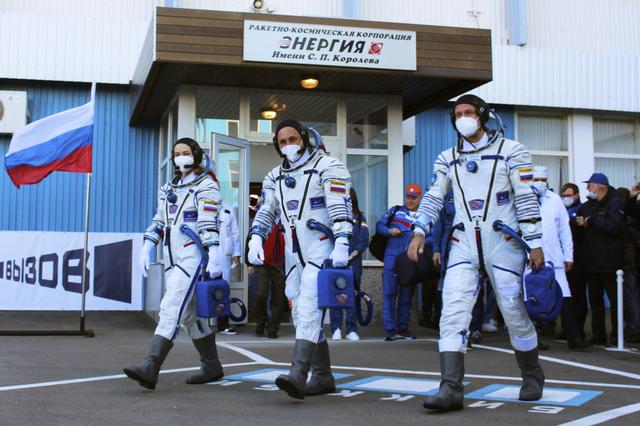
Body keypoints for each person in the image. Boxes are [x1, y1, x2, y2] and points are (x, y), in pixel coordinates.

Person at [408, 94, 546, 411]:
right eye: (457, 114)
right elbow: (433, 197)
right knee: (452, 312)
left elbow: (526, 198)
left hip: (503, 242)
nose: (463, 118)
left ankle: (532, 375)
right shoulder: (447, 158)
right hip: (463, 243)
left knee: (513, 312)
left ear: (482, 116)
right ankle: (451, 388)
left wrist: (535, 242)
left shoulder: (512, 152)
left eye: (469, 112)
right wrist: (419, 231)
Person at [247, 119, 352, 399]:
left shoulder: (328, 167)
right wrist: (255, 236)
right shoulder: (274, 177)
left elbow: (340, 205)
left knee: (308, 308)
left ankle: (298, 372)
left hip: (322, 249)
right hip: (293, 254)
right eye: (282, 142)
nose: (288, 145)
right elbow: (267, 210)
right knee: (299, 312)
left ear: (304, 138)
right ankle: (323, 376)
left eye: (292, 138)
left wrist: (342, 241)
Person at [124, 137, 224, 390]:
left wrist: (213, 253)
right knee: (190, 315)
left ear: (196, 155)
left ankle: (151, 365)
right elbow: (160, 220)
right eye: (176, 153)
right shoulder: (168, 189)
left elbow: (208, 222)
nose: (181, 157)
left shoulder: (207, 187)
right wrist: (147, 245)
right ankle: (212, 366)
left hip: (193, 257)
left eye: (185, 152)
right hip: (172, 258)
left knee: (170, 307)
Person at [530, 167, 590, 350]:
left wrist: (568, 256)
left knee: (565, 298)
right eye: (536, 179)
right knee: (531, 298)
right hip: (530, 258)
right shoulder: (522, 199)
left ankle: (574, 339)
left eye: (542, 179)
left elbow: (564, 230)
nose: (539, 182)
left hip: (554, 258)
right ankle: (532, 339)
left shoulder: (555, 200)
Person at [576, 172, 625, 346]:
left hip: (611, 262)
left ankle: (617, 335)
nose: (588, 188)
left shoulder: (615, 203)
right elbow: (579, 225)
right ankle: (598, 335)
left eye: (590, 185)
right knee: (595, 300)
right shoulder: (587, 205)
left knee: (615, 301)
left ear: (599, 186)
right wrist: (578, 224)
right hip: (592, 261)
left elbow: (615, 227)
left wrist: (592, 221)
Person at [377, 183, 423, 341]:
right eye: (408, 197)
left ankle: (403, 328)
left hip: (410, 260)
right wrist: (389, 231)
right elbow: (379, 226)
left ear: (420, 198)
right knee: (389, 293)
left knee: (407, 295)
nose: (410, 201)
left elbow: (430, 234)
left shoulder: (425, 215)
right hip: (392, 257)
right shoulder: (395, 210)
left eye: (414, 198)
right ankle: (390, 329)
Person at [330, 188, 368, 341]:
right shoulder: (333, 217)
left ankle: (352, 328)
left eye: (348, 198)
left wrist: (351, 255)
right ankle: (336, 328)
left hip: (354, 262)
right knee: (336, 294)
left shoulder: (359, 218)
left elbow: (364, 240)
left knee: (352, 294)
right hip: (336, 261)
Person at [561, 182, 588, 341]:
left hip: (578, 259)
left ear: (577, 195)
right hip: (562, 259)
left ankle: (578, 330)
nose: (566, 198)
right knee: (565, 296)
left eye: (569, 195)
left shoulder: (582, 210)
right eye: (564, 196)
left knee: (577, 296)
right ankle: (567, 328)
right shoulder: (561, 210)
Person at [252, 220, 286, 339]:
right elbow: (251, 238)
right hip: (263, 264)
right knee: (260, 294)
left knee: (279, 298)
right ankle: (260, 322)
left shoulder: (286, 219)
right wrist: (249, 262)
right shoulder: (263, 218)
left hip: (279, 266)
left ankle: (273, 328)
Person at [216, 202, 241, 335]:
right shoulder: (200, 205)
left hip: (225, 254)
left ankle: (222, 325)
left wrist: (237, 253)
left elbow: (235, 232)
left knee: (224, 289)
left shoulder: (227, 207)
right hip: (206, 253)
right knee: (203, 287)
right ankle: (201, 323)